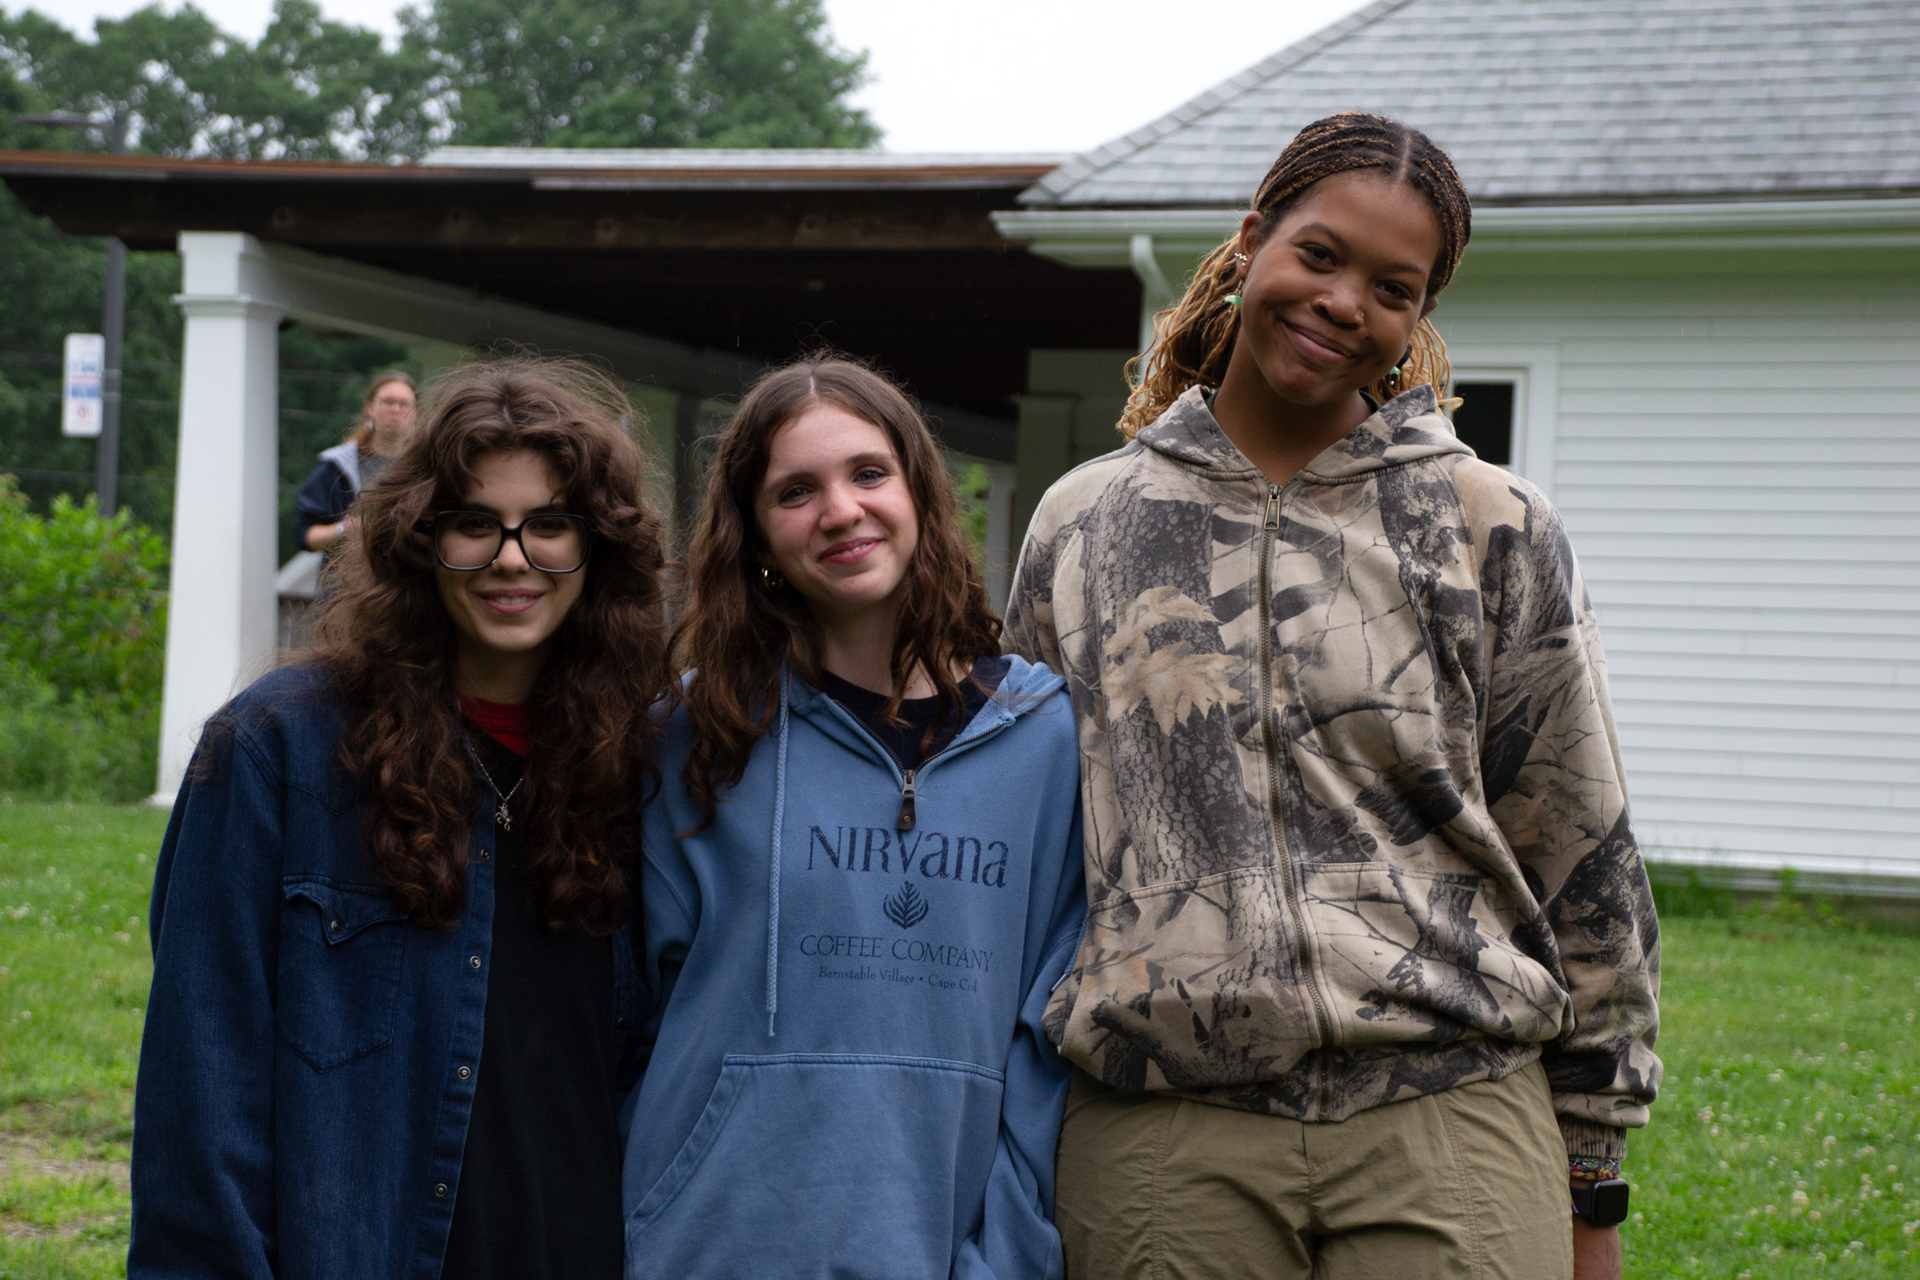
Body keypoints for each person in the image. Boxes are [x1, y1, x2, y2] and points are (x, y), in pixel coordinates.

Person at [1003, 112, 1661, 1280]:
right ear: (1253, 242)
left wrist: (1593, 1170)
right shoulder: (1085, 522)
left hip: (1447, 1109)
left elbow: (1583, 849)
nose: (1345, 301)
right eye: (1318, 253)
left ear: (1418, 318)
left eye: (1392, 286)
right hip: (1166, 1123)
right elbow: (1031, 835)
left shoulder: (1488, 523)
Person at [130, 358, 672, 1279]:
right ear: (421, 539)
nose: (512, 558)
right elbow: (200, 1101)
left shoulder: (640, 766)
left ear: (600, 551)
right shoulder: (279, 751)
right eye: (474, 525)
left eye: (550, 526)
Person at [623, 354, 1086, 1279]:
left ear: (920, 493)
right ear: (755, 533)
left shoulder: (1046, 740)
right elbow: (623, 1016)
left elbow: (1048, 1034)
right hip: (710, 1246)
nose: (840, 510)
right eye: (796, 490)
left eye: (868, 473)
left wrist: (1009, 1252)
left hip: (951, 1250)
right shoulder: (692, 735)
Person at [295, 369, 418, 553]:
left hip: (408, 575)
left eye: (404, 404)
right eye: (388, 402)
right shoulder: (336, 465)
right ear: (370, 408)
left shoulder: (427, 464)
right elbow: (306, 536)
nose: (395, 410)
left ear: (416, 413)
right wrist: (346, 529)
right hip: (347, 577)